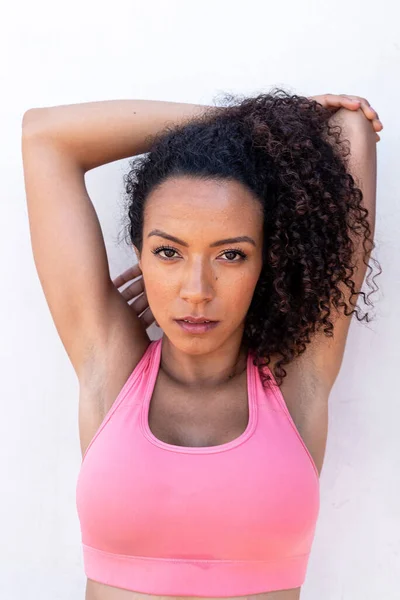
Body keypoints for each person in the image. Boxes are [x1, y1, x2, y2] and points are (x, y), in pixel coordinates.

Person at [21, 89, 382, 600]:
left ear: (267, 265)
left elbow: (351, 129)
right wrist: (247, 123)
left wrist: (273, 133)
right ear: (140, 255)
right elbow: (44, 137)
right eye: (168, 252)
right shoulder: (112, 365)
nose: (197, 290)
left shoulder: (295, 380)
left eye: (230, 255)